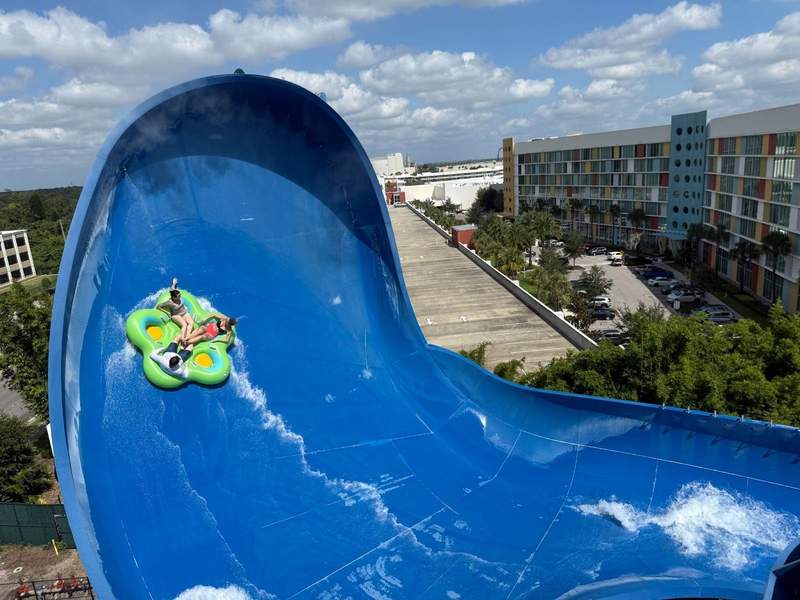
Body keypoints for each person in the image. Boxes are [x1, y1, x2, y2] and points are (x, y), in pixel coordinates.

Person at [156, 277, 194, 343]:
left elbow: (173, 289)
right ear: (174, 297)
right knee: (184, 325)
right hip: (176, 315)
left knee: (191, 323)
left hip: (184, 313)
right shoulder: (170, 302)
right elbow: (158, 306)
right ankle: (182, 339)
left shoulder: (174, 292)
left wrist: (174, 283)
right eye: (179, 296)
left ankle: (188, 336)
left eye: (180, 295)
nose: (180, 296)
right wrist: (167, 313)